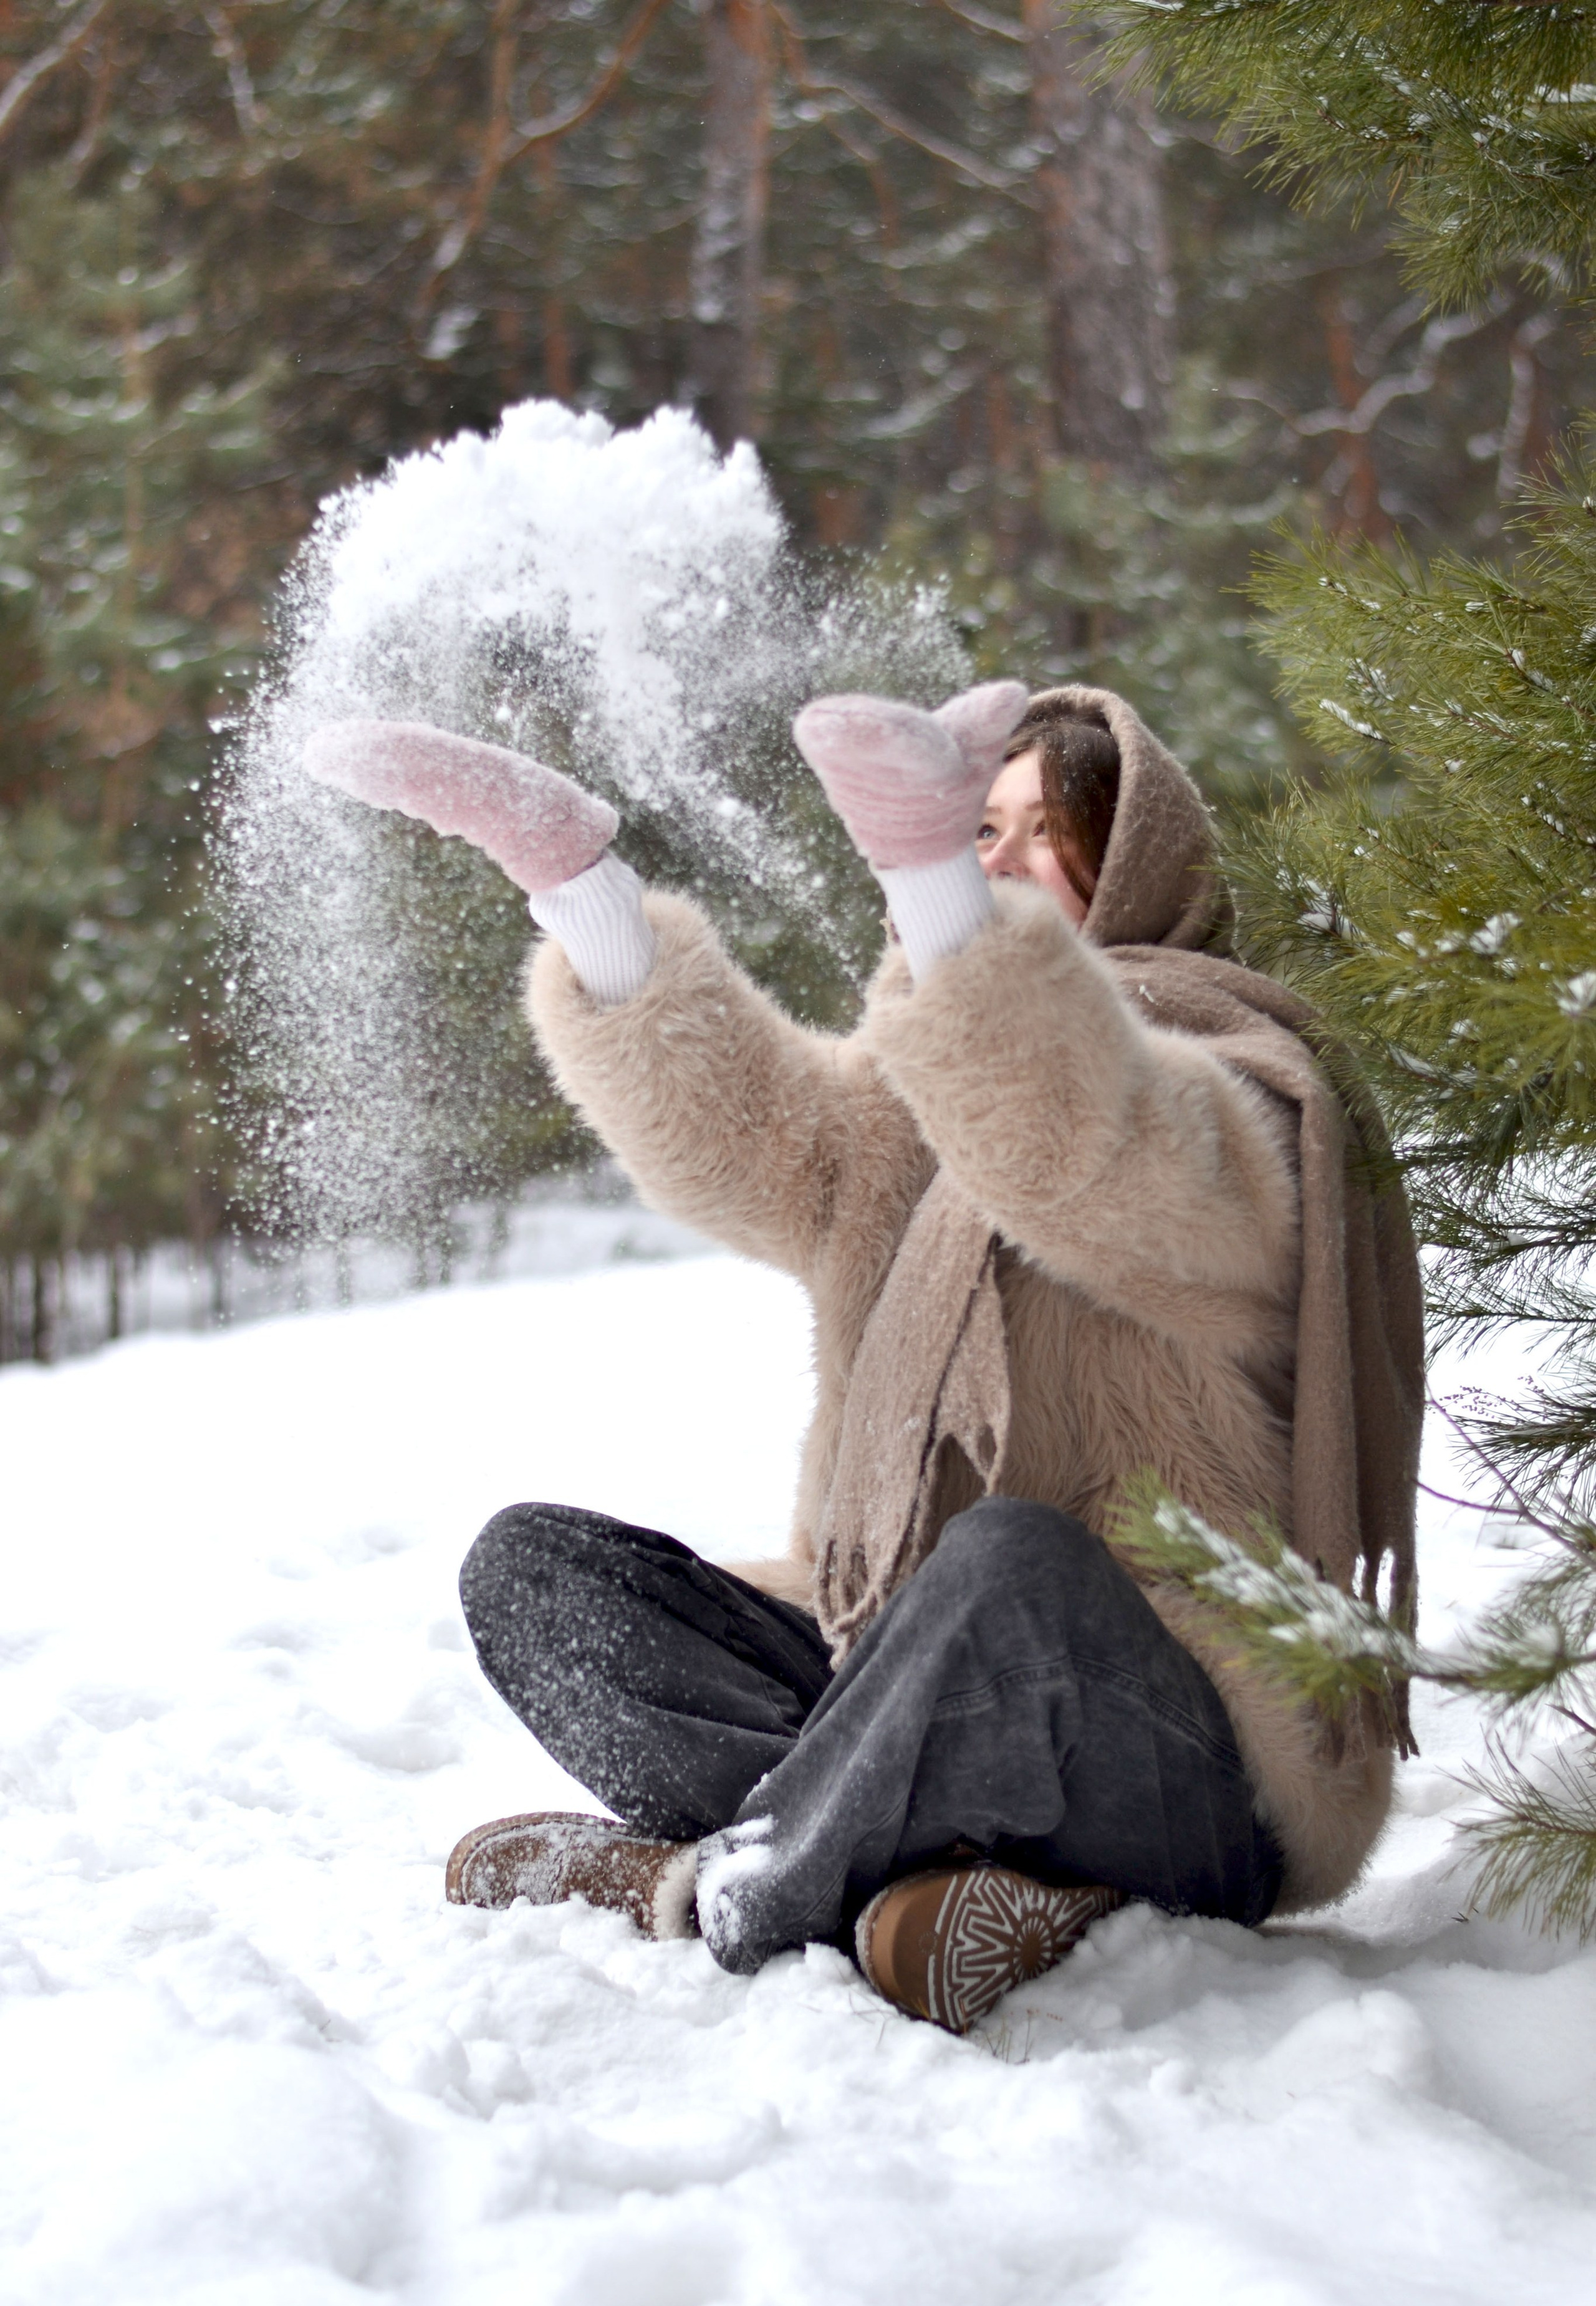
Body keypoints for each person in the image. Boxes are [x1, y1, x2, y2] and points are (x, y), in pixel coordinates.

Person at [302, 680, 1423, 2035]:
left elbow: (1080, 1137)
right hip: (902, 1673)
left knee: (1009, 1564)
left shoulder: (1238, 1107)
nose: (988, 857)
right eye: (971, 827)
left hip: (1183, 1757)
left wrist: (924, 872)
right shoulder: (910, 1118)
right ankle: (928, 1882)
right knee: (539, 1574)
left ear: (1129, 865)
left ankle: (711, 1888)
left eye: (1021, 833)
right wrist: (575, 885)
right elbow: (749, 1134)